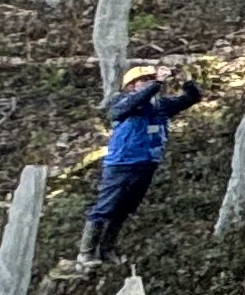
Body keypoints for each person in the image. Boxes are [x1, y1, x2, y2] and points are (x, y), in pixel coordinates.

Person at [65, 62, 204, 275]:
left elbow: (192, 99)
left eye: (151, 79)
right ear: (131, 85)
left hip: (146, 163)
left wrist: (187, 81)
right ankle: (86, 253)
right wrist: (156, 82)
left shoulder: (160, 106)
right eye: (144, 80)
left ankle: (107, 250)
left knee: (124, 209)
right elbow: (121, 111)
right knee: (105, 208)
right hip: (121, 164)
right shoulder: (121, 101)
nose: (149, 83)